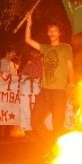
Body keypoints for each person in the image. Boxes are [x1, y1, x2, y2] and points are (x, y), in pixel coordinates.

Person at [24, 15, 74, 149]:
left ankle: (57, 150)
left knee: (57, 124)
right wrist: (29, 23)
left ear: (60, 33)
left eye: (54, 30)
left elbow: (70, 68)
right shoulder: (45, 48)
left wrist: (71, 85)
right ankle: (53, 144)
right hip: (45, 91)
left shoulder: (65, 48)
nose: (51, 33)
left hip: (59, 91)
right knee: (35, 121)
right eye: (49, 31)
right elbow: (28, 40)